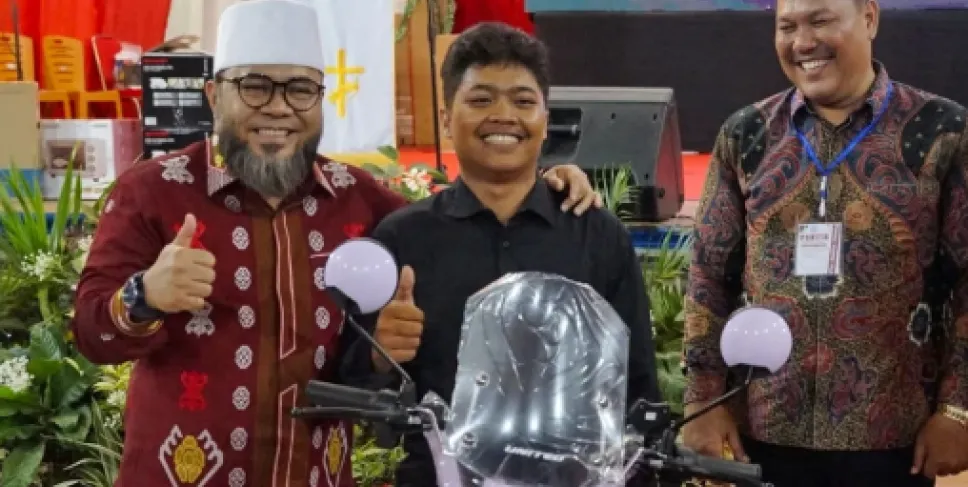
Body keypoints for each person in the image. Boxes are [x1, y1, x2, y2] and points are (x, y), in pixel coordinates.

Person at [69, 1, 600, 486]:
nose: (278, 108)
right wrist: (144, 296)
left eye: (300, 89)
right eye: (254, 87)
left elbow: (458, 221)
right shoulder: (153, 192)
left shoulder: (356, 199)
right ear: (214, 96)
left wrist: (539, 184)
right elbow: (92, 335)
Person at [339, 22, 661, 486]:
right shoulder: (404, 238)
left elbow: (638, 384)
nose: (504, 116)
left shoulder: (596, 235)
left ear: (546, 120)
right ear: (446, 119)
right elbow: (356, 387)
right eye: (481, 100)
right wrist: (379, 354)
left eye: (523, 101)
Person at [681, 0, 968, 486]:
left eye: (820, 21)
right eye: (786, 27)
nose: (802, 43)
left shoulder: (943, 132)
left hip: (894, 437)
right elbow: (709, 274)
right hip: (764, 433)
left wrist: (958, 409)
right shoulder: (747, 134)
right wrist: (702, 401)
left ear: (869, 18)